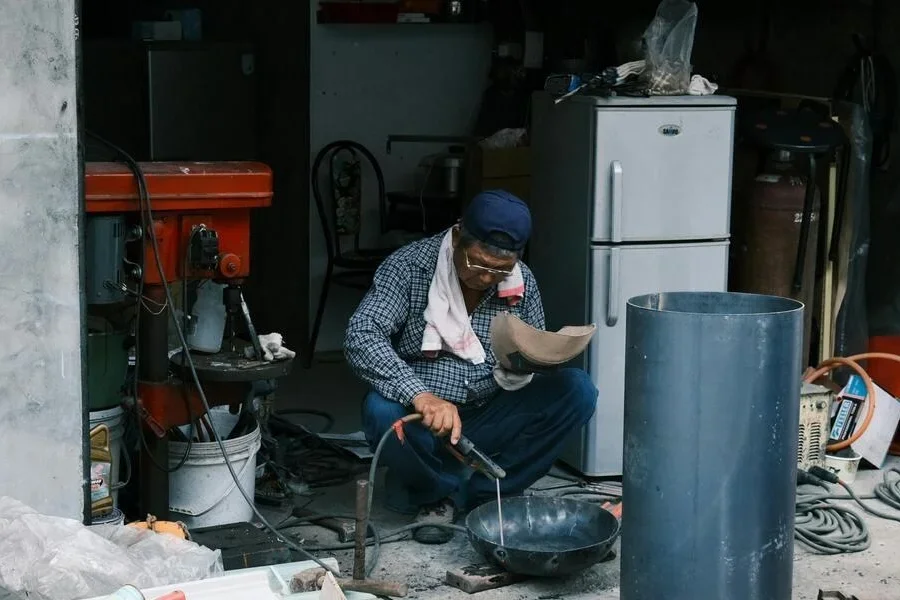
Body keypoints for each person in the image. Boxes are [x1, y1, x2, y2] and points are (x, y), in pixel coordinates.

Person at [344, 189, 598, 544]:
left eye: (499, 270)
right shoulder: (409, 266)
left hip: (487, 412)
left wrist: (541, 358)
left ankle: (486, 491)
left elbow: (534, 355)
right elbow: (361, 335)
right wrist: (423, 397)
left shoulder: (520, 279)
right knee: (380, 409)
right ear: (459, 234)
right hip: (424, 419)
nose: (485, 278)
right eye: (477, 264)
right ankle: (436, 491)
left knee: (577, 390)